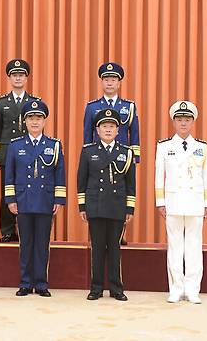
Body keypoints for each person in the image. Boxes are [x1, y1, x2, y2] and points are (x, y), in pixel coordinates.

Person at [4, 100, 65, 297]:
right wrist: (11, 199)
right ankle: (25, 282)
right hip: (23, 201)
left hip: (45, 201)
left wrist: (59, 199)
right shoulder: (16, 145)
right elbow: (9, 175)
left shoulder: (54, 145)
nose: (35, 122)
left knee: (42, 244)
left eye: (38, 118)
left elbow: (60, 174)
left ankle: (40, 283)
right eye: (31, 118)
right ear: (25, 121)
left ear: (44, 121)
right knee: (26, 244)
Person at [155, 100, 207, 304]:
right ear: (173, 122)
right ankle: (176, 289)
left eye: (187, 119)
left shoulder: (202, 147)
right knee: (175, 246)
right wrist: (160, 201)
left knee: (194, 246)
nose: (183, 123)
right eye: (179, 119)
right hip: (173, 201)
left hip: (195, 202)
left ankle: (193, 289)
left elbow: (206, 176)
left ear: (193, 121)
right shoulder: (164, 146)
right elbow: (158, 175)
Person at [77, 108, 136, 302]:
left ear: (118, 130)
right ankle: (96, 288)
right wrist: (82, 206)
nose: (108, 130)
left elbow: (130, 183)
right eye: (104, 126)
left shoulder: (125, 153)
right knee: (97, 248)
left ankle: (116, 288)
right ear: (97, 130)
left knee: (114, 248)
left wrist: (129, 208)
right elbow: (82, 180)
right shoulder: (88, 151)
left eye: (112, 126)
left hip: (117, 207)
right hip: (95, 206)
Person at [83, 62, 140, 245]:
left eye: (113, 80)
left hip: (122, 159)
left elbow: (135, 133)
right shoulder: (92, 107)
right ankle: (96, 236)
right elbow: (87, 135)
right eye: (106, 80)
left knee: (121, 193)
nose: (109, 83)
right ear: (101, 82)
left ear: (119, 83)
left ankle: (120, 234)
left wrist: (134, 158)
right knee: (97, 194)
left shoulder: (128, 106)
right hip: (98, 158)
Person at [0, 59, 40, 242]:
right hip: (7, 152)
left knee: (27, 189)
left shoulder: (34, 101)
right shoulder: (1, 102)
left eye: (21, 75)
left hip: (28, 152)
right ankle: (7, 230)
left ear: (26, 78)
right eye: (14, 75)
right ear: (10, 78)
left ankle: (25, 230)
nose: (18, 78)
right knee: (7, 191)